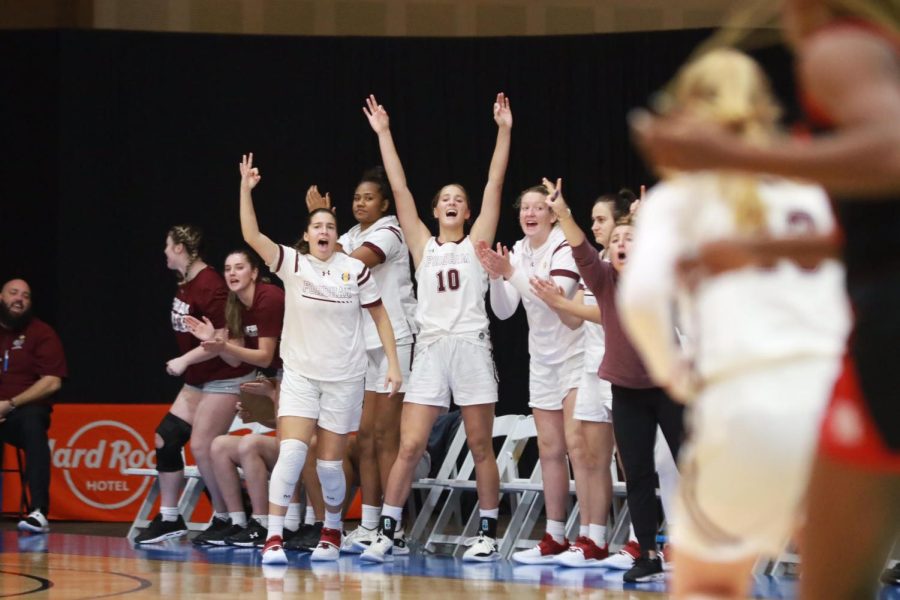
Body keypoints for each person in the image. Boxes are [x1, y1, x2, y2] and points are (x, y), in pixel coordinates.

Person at [631, 2, 900, 596]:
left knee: (707, 582)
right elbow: (854, 240)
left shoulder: (837, 50)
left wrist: (675, 374)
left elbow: (644, 295)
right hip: (837, 388)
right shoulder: (812, 173)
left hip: (754, 404)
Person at [359, 92, 512, 563]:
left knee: (482, 444)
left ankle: (487, 531)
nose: (452, 202)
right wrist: (384, 134)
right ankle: (389, 529)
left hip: (469, 345)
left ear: (467, 214)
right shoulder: (423, 245)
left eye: (458, 200)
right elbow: (400, 190)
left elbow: (493, 184)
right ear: (435, 210)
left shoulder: (476, 245)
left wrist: (504, 130)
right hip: (430, 349)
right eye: (445, 198)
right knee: (409, 443)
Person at [237, 153, 402, 565]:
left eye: (330, 226)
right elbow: (252, 234)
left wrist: (394, 364)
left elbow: (380, 317)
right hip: (300, 377)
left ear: (336, 236)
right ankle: (273, 537)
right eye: (318, 227)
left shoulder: (354, 270)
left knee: (330, 465)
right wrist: (245, 189)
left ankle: (332, 529)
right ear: (307, 236)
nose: (325, 231)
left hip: (345, 380)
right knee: (292, 453)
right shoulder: (293, 264)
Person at [530, 190, 681, 570]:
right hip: (626, 392)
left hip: (668, 387)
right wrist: (562, 211)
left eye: (628, 238)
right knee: (638, 475)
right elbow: (581, 248)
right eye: (615, 240)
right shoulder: (602, 279)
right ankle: (646, 554)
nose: (619, 243)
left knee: (686, 466)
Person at [476, 185, 605, 566]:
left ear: (552, 215)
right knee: (549, 449)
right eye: (525, 208)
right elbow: (503, 312)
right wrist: (497, 278)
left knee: (579, 447)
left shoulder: (564, 245)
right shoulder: (517, 251)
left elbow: (557, 298)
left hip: (577, 355)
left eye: (538, 207)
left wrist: (511, 273)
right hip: (542, 359)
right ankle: (555, 536)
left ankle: (591, 537)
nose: (530, 213)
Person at [305, 166, 418, 554]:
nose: (360, 203)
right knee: (366, 438)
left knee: (387, 436)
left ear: (384, 204)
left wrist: (325, 240)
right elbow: (322, 261)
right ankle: (369, 524)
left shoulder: (390, 231)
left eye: (369, 197)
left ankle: (395, 529)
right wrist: (324, 227)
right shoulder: (350, 234)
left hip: (394, 342)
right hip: (362, 345)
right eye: (356, 198)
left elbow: (349, 267)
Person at [135, 226, 257, 544]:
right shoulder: (186, 284)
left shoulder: (210, 285)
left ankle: (228, 516)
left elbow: (222, 337)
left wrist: (184, 361)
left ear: (179, 248)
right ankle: (171, 517)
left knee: (202, 446)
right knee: (166, 437)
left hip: (226, 377)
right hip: (200, 381)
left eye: (166, 245)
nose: (163, 251)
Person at [181, 248, 285, 545]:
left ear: (254, 272)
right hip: (274, 382)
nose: (232, 274)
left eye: (240, 267)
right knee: (217, 446)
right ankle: (237, 520)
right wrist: (213, 341)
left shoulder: (269, 298)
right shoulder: (235, 305)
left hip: (294, 376)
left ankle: (263, 523)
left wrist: (223, 346)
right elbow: (236, 363)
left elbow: (264, 357)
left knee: (250, 444)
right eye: (228, 269)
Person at [0, 278, 66, 533]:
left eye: (25, 296)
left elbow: (52, 382)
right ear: (2, 298)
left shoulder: (42, 333)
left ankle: (38, 511)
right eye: (14, 293)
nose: (20, 299)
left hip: (21, 411)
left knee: (33, 424)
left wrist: (10, 404)